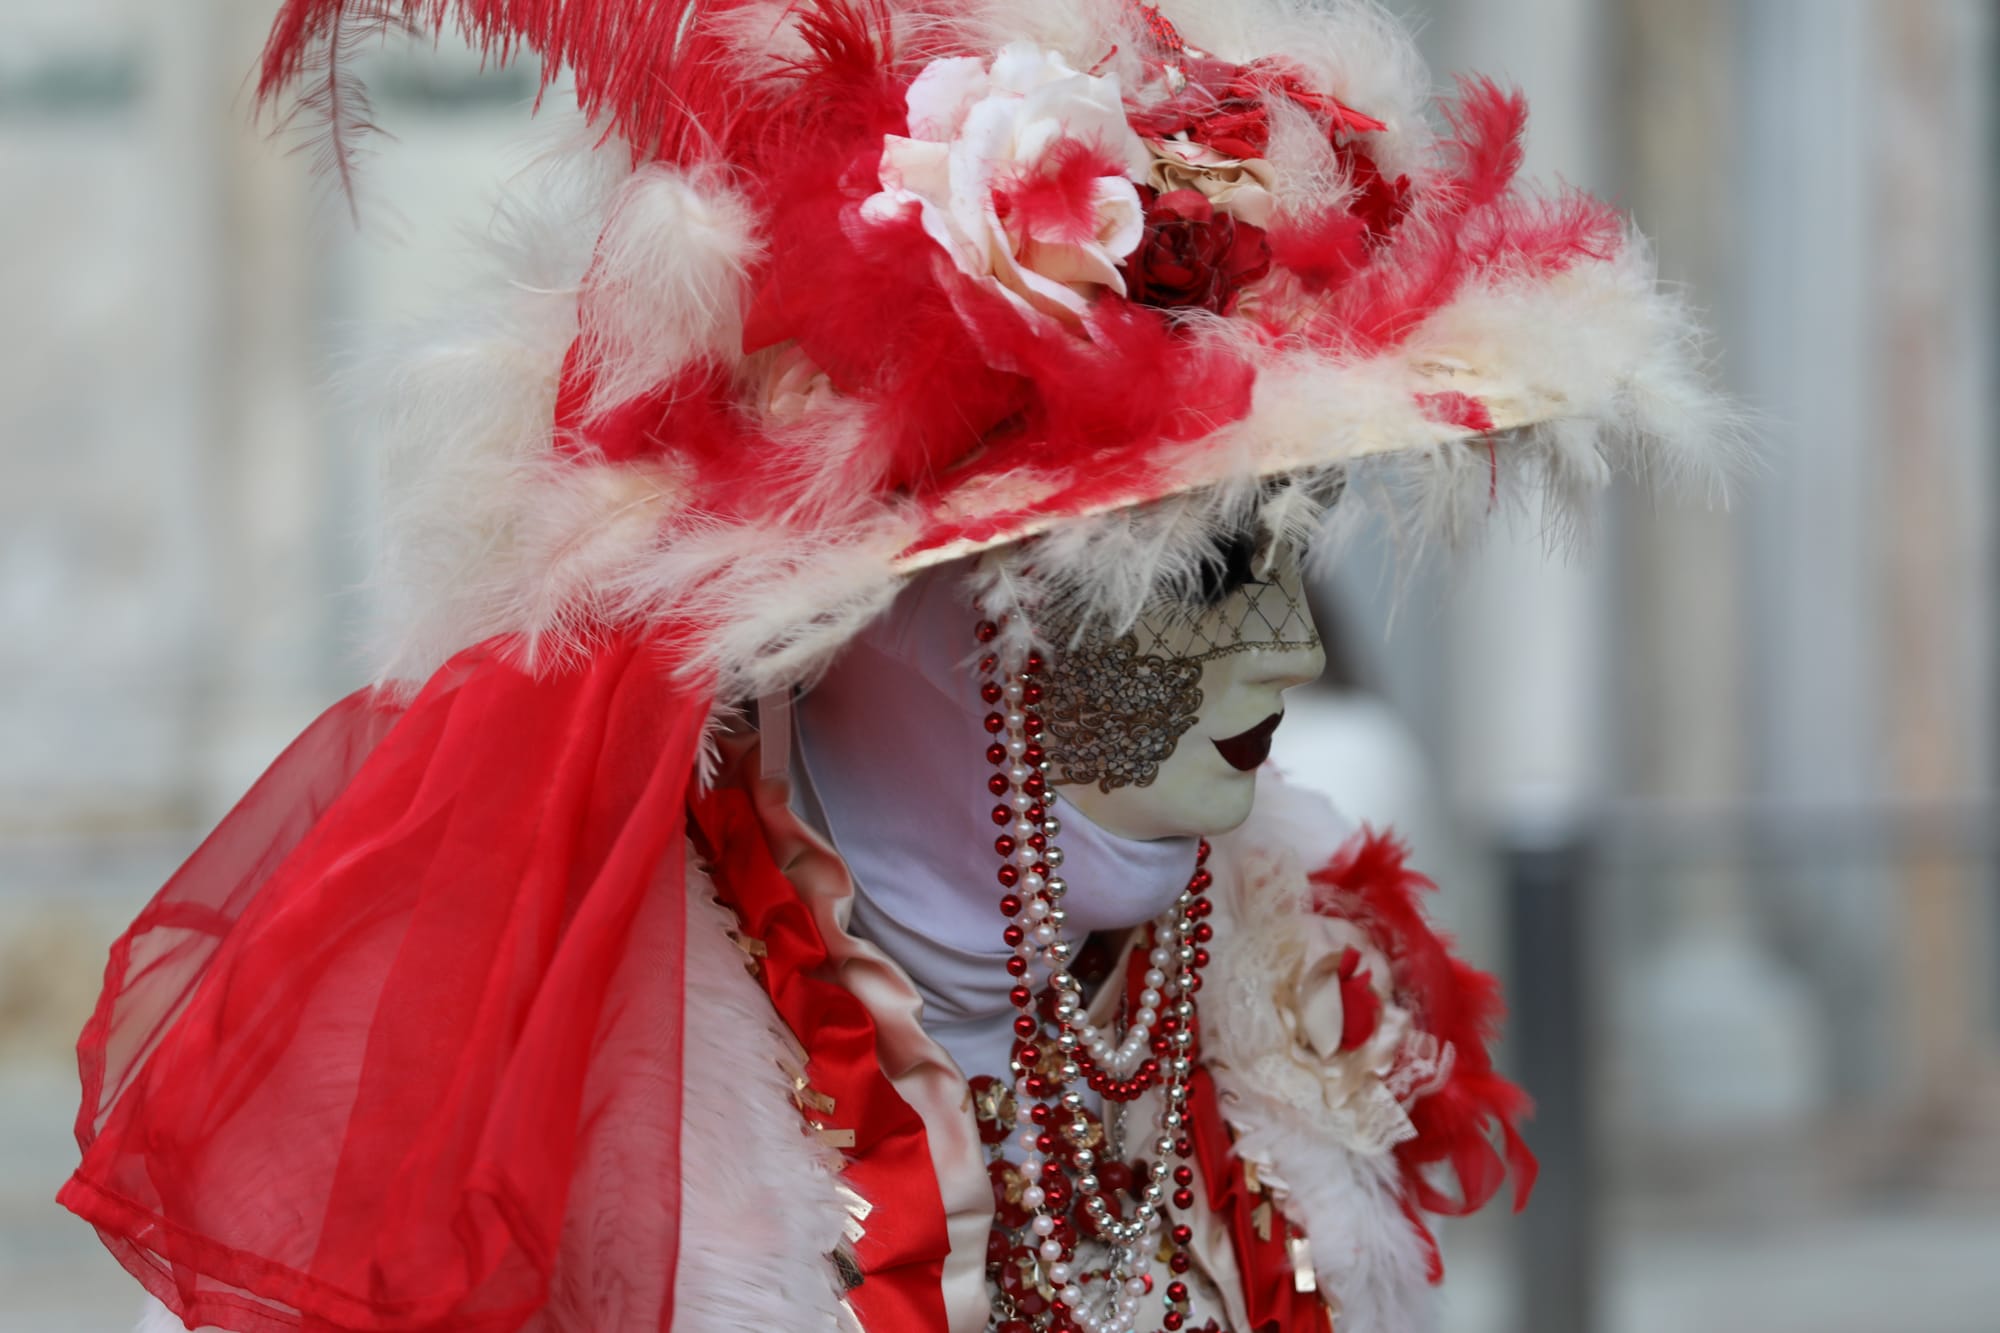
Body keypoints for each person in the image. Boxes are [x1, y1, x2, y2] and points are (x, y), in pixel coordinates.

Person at [59, 1, 1734, 1329]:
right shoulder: (561, 1107)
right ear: (924, 623)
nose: (1290, 645)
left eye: (1294, 555)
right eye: (1198, 571)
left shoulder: (1270, 996)